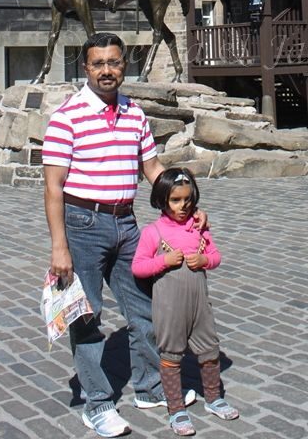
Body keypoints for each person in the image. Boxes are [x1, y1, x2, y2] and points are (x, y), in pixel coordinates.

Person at [42, 33, 198, 438]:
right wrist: (59, 246)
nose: (107, 70)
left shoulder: (134, 113)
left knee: (144, 308)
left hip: (127, 225)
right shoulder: (68, 116)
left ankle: (147, 388)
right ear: (85, 68)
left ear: (124, 64)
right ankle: (97, 404)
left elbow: (151, 168)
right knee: (89, 316)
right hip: (83, 225)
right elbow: (53, 187)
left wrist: (185, 199)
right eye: (98, 64)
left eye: (114, 62)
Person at [132, 168, 239, 437]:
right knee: (170, 354)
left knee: (209, 348)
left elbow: (215, 256)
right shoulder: (153, 232)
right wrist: (163, 262)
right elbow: (138, 267)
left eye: (188, 200)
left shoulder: (199, 228)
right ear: (161, 200)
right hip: (169, 306)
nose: (183, 206)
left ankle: (214, 398)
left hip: (200, 304)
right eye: (176, 201)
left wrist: (205, 260)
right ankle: (175, 408)